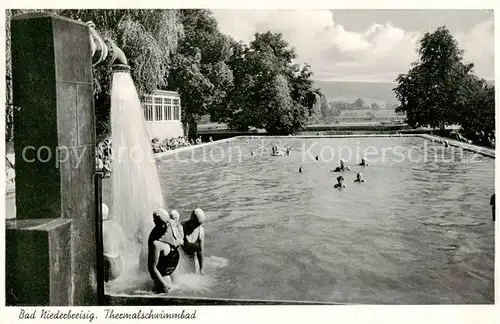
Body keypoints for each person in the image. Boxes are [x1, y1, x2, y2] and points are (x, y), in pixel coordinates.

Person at [148, 209, 183, 293]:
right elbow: (152, 268)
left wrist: (177, 242)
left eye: (168, 222)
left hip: (173, 263)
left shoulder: (171, 223)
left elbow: (181, 240)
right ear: (155, 223)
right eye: (164, 224)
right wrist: (163, 284)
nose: (167, 225)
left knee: (179, 290)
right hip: (163, 271)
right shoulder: (154, 241)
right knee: (163, 292)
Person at [102, 203, 126, 282]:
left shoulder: (99, 227)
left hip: (107, 267)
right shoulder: (117, 226)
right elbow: (123, 247)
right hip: (118, 267)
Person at [181, 208, 207, 275]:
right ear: (191, 220)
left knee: (192, 274)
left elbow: (201, 252)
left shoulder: (200, 231)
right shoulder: (181, 227)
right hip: (180, 260)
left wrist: (201, 269)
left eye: (199, 224)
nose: (198, 226)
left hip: (191, 259)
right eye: (197, 224)